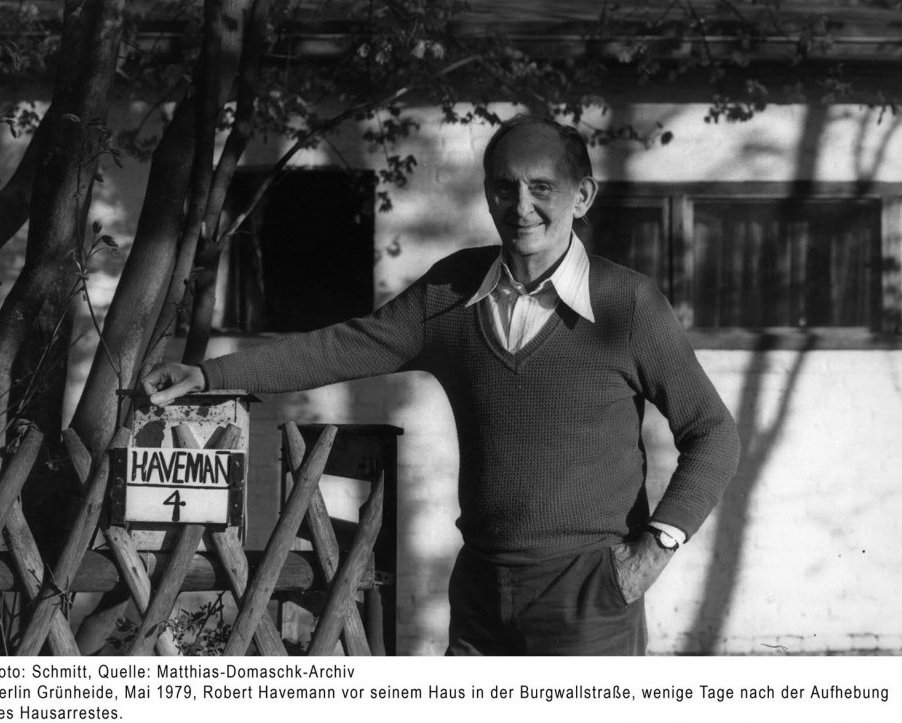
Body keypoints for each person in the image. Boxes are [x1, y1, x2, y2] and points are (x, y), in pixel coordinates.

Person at [142, 115, 740, 655]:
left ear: (581, 196)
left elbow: (712, 433)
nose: (521, 205)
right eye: (505, 187)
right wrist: (210, 373)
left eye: (542, 187)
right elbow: (342, 346)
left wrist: (651, 552)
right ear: (487, 193)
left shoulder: (625, 305)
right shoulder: (451, 295)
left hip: (587, 594)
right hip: (480, 588)